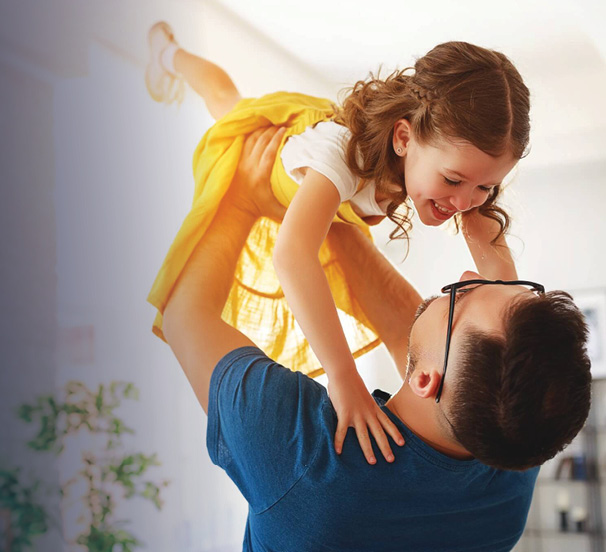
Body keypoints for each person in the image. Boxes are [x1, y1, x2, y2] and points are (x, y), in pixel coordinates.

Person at [161, 127, 592, 551]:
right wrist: (328, 191)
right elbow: (419, 331)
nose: (464, 276)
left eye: (460, 299)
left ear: (426, 380)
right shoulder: (512, 459)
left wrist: (242, 197)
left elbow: (184, 317)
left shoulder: (304, 454)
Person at [146, 22, 531, 462]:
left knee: (225, 98)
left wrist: (489, 241)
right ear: (404, 138)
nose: (465, 202)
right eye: (454, 180)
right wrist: (343, 376)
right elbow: (291, 255)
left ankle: (171, 56)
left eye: (485, 188)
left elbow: (502, 307)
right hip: (259, 159)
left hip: (326, 174)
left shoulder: (451, 174)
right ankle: (169, 54)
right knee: (225, 101)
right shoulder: (342, 157)